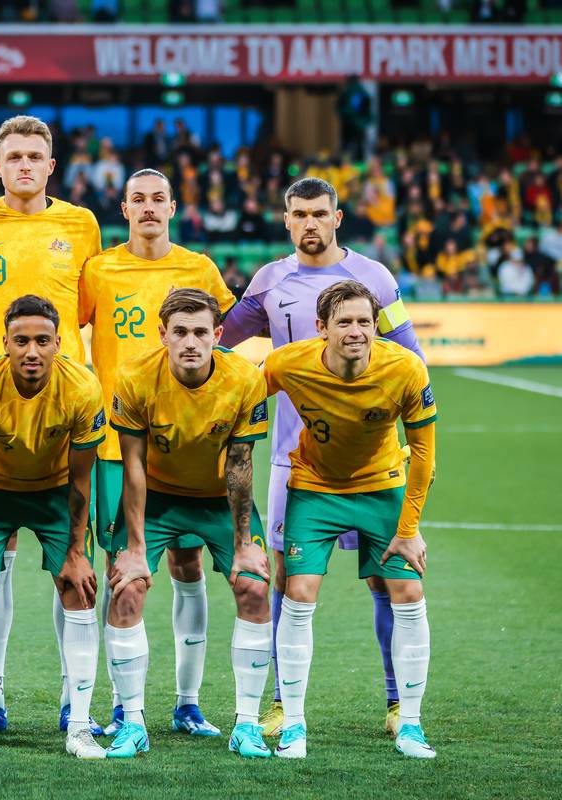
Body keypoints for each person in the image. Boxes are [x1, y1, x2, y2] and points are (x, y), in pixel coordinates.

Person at [220, 177, 425, 737]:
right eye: (298, 214)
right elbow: (222, 345)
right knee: (288, 578)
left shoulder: (375, 278)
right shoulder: (269, 280)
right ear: (285, 220)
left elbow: (410, 358)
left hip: (371, 462)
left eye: (319, 213)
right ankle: (286, 703)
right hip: (295, 461)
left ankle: (394, 703)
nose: (309, 223)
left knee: (386, 581)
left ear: (338, 217)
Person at [0, 114, 102, 735]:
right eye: (13, 156)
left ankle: (75, 701)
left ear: (51, 166)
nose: (24, 166)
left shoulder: (81, 224)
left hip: (66, 404)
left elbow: (86, 308)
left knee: (73, 555)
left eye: (35, 156)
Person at [80, 168, 237, 737]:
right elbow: (62, 326)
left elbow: (226, 337)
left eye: (158, 200)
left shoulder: (199, 269)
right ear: (124, 208)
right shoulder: (98, 268)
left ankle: (187, 701)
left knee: (188, 564)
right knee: (121, 571)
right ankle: (122, 704)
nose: (149, 208)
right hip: (116, 445)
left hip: (189, 441)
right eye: (138, 200)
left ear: (175, 207)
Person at [263, 280, 437, 760]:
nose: (356, 331)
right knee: (297, 593)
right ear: (322, 328)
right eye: (344, 322)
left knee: (409, 592)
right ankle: (294, 724)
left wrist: (409, 528)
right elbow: (240, 396)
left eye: (365, 321)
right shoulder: (287, 362)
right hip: (315, 488)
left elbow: (423, 453)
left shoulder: (404, 368)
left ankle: (411, 724)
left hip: (382, 487)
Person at [104, 289, 272, 760]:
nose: (191, 342)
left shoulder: (243, 378)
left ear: (219, 335)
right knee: (126, 587)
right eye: (180, 332)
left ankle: (248, 724)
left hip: (219, 499)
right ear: (163, 335)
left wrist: (243, 544)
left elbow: (241, 463)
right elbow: (132, 466)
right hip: (155, 497)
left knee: (255, 586)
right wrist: (135, 549)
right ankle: (131, 722)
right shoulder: (136, 377)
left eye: (201, 332)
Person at [0, 295, 107, 761]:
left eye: (41, 341)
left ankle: (79, 726)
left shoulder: (82, 389)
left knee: (79, 588)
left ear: (59, 343)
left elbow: (81, 481)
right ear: (5, 344)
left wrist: (76, 552)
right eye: (21, 341)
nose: (31, 352)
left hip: (56, 493)